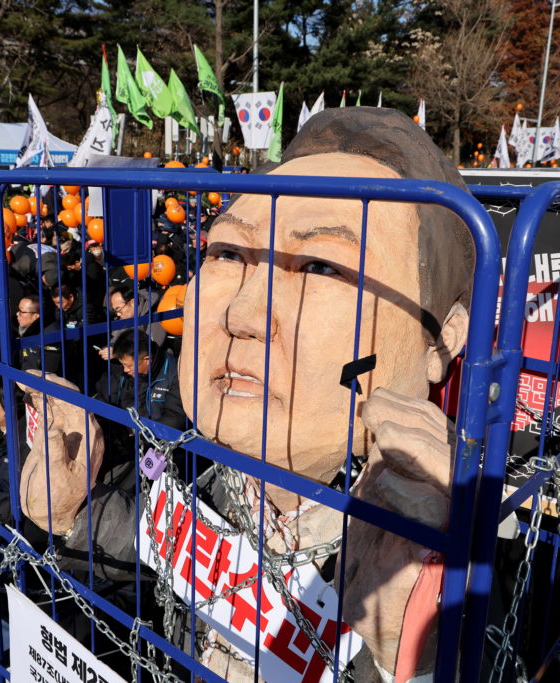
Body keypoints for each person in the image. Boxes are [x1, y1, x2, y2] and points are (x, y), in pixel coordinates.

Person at [30, 108, 473, 681]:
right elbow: (165, 545)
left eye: (321, 267)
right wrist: (73, 511)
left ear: (443, 339)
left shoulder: (465, 545)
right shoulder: (214, 476)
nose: (241, 314)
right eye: (229, 254)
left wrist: (410, 659)